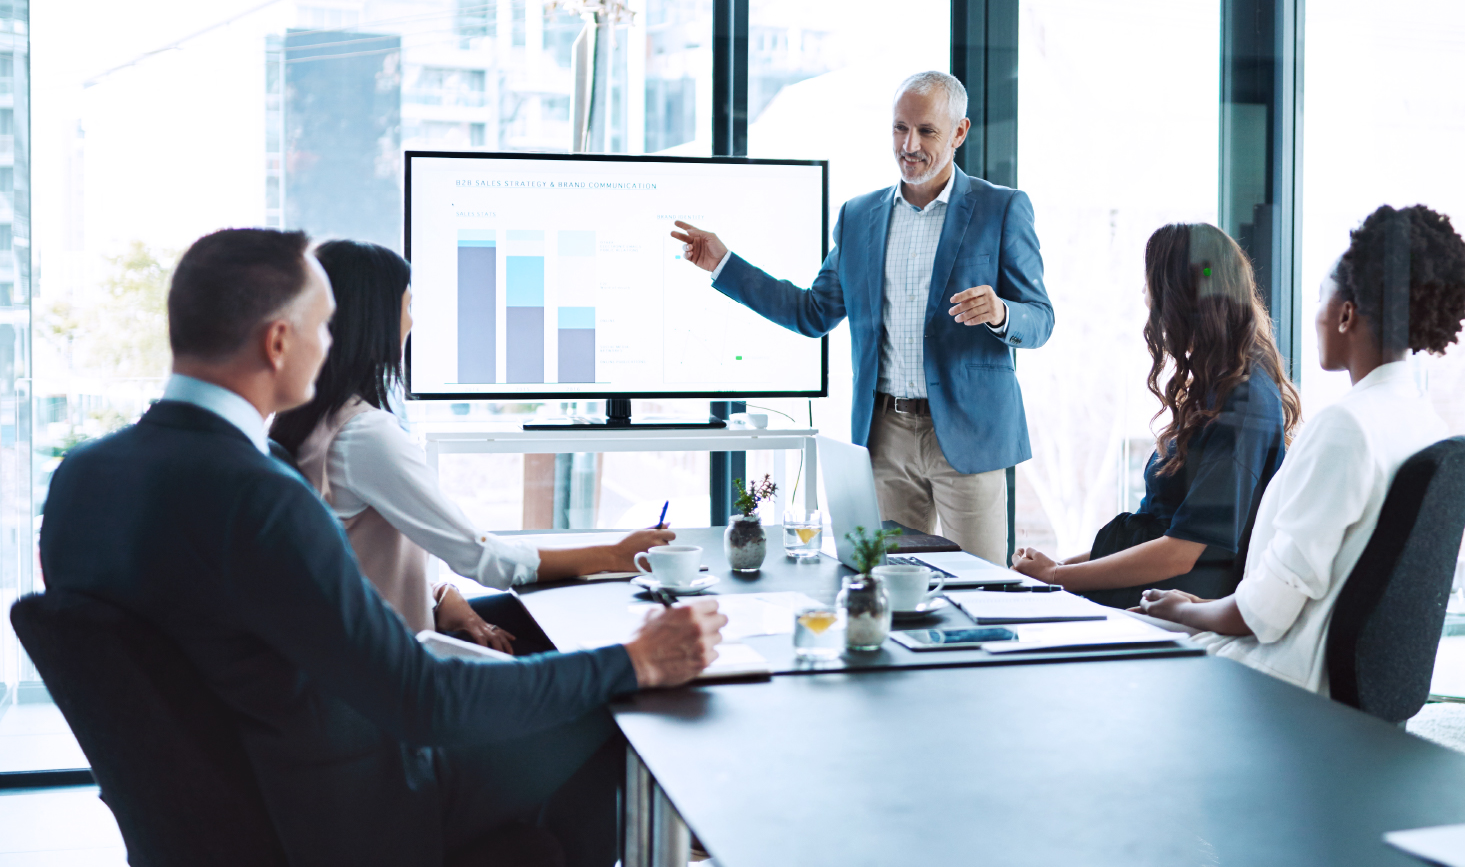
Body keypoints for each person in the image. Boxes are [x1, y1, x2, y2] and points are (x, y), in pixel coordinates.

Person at [38, 228, 727, 867]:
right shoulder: (265, 498)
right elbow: (421, 699)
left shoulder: (82, 478)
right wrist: (633, 657)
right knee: (615, 716)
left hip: (224, 815)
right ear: (279, 341)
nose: (331, 340)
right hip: (350, 813)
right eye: (322, 324)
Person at [670, 70, 1053, 565]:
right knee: (888, 584)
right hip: (884, 437)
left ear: (959, 133)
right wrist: (725, 264)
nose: (909, 145)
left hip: (969, 435)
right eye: (900, 128)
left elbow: (1040, 319)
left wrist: (1002, 313)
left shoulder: (1001, 209)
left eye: (927, 132)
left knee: (979, 587)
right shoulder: (859, 217)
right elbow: (811, 313)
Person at [270, 240, 671, 655]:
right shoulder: (365, 436)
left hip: (364, 644)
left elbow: (354, 561)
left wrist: (441, 594)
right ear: (376, 320)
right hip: (398, 666)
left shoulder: (308, 420)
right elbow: (484, 559)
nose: (412, 323)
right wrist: (615, 554)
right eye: (408, 308)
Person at [1138, 204, 1465, 694]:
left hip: (1277, 679)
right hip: (1325, 677)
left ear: (1345, 314)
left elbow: (1264, 616)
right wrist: (1192, 608)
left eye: (1321, 298)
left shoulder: (1347, 427)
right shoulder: (1427, 424)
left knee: (1101, 645)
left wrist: (1185, 610)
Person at [1011, 223, 1300, 607]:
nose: (1145, 296)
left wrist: (1058, 577)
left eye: (1152, 285)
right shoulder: (1218, 388)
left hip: (1175, 600)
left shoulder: (1243, 403)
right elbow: (1156, 534)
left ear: (1180, 299)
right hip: (1158, 589)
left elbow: (1180, 552)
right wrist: (1056, 569)